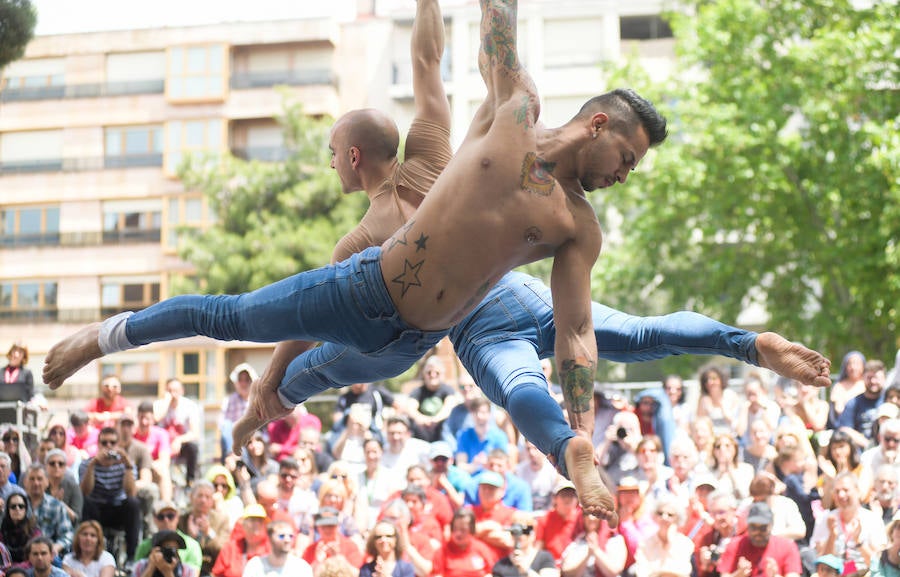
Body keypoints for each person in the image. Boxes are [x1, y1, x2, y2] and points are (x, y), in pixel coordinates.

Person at [43, 0, 832, 525]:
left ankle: (601, 432)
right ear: (596, 124)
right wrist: (264, 399)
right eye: (625, 156)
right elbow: (494, 20)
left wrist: (583, 429)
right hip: (368, 292)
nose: (624, 174)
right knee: (238, 320)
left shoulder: (574, 225)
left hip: (422, 336)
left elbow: (582, 330)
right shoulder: (512, 111)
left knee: (339, 370)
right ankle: (102, 338)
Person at [78, 427, 141, 564]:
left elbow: (131, 492)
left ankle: (131, 557)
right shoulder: (87, 464)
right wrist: (93, 465)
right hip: (95, 510)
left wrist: (128, 465)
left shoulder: (126, 464)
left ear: (118, 445)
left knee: (133, 503)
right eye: (104, 443)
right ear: (98, 444)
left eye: (112, 443)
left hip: (118, 509)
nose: (108, 446)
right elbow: (85, 491)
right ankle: (85, 553)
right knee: (85, 501)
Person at [716, 502, 802, 577]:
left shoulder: (787, 546)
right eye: (753, 527)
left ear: (771, 526)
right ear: (748, 526)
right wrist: (738, 574)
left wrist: (775, 576)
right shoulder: (735, 544)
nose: (757, 532)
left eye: (763, 528)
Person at [154, 378, 201, 486]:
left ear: (182, 391)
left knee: (193, 447)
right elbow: (156, 418)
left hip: (181, 445)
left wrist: (179, 440)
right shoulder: (159, 405)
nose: (173, 394)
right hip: (162, 446)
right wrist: (166, 402)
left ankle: (190, 482)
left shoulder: (190, 406)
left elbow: (195, 433)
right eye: (169, 391)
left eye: (175, 390)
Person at [632, 496, 694, 577]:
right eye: (660, 513)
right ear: (654, 516)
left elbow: (683, 572)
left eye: (670, 515)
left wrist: (670, 543)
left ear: (677, 518)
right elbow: (642, 573)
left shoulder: (685, 543)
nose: (664, 517)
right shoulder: (645, 543)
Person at [135, 501, 203, 575]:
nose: (166, 520)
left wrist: (168, 572)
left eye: (170, 516)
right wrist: (150, 566)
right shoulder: (144, 546)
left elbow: (195, 574)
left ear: (177, 517)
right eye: (161, 517)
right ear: (154, 519)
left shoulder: (192, 546)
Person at [22, 464, 72, 560]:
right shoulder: (17, 504)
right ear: (25, 482)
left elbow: (67, 535)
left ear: (47, 482)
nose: (36, 483)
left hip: (48, 557)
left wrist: (56, 547)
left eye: (40, 479)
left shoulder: (57, 506)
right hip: (21, 555)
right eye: (32, 479)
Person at [432, 509, 496, 577]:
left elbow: (491, 572)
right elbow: (437, 575)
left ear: (472, 530)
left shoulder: (481, 549)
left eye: (463, 529)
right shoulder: (442, 552)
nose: (458, 533)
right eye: (455, 529)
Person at [492, 513, 557, 577]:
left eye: (525, 531)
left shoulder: (545, 558)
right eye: (515, 531)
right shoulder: (501, 565)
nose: (520, 535)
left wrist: (526, 570)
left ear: (533, 534)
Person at [243, 519, 313, 577]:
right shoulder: (255, 565)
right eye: (281, 536)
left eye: (290, 536)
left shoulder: (301, 568)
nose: (287, 540)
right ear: (269, 538)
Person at [220, 362, 257, 460]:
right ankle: (231, 455)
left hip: (252, 434)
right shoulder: (228, 400)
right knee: (227, 427)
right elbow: (222, 422)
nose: (243, 383)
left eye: (247, 380)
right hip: (233, 435)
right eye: (240, 380)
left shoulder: (257, 399)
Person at [132, 530, 198, 577]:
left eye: (174, 550)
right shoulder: (141, 566)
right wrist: (150, 567)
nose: (171, 553)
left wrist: (168, 572)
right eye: (167, 550)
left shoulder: (187, 571)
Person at [0, 493, 41, 564]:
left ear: (26, 509)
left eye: (21, 506)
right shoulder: (2, 530)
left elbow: (35, 557)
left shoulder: (34, 531)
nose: (17, 509)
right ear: (8, 510)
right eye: (13, 506)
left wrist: (17, 568)